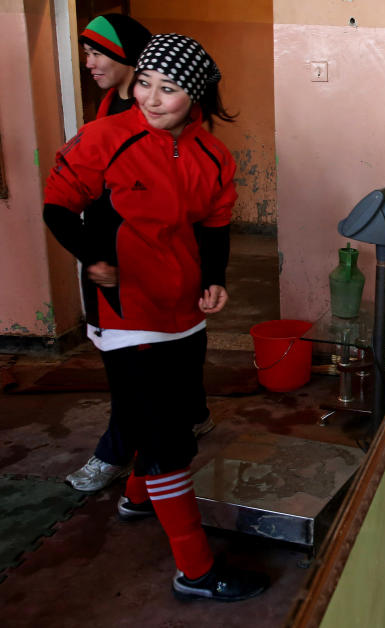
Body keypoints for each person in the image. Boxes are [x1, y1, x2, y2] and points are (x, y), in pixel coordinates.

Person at [43, 33, 267, 601]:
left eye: (168, 89)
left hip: (183, 310)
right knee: (166, 435)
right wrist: (93, 257)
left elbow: (215, 223)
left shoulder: (213, 156)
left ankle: (137, 497)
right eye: (144, 82)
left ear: (195, 97)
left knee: (178, 413)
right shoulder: (104, 138)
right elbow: (58, 204)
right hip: (126, 313)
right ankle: (195, 570)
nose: (150, 97)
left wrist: (214, 278)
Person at [66, 14, 216, 494]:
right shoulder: (111, 113)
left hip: (165, 276)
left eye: (97, 53)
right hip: (119, 272)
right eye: (86, 53)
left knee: (166, 368)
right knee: (134, 371)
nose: (89, 63)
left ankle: (150, 452)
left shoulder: (180, 126)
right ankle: (131, 454)